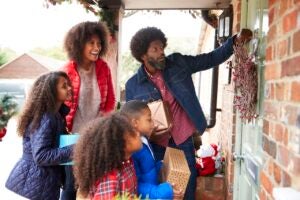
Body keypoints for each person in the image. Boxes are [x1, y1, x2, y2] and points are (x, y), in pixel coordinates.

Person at [125, 27, 253, 200]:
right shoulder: (133, 84)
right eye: (155, 49)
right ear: (143, 55)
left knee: (187, 186)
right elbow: (130, 119)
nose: (161, 52)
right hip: (156, 145)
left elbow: (209, 59)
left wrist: (233, 43)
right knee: (161, 189)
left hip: (182, 139)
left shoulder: (178, 63)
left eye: (162, 47)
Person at [61, 21, 116, 199]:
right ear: (78, 44)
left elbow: (110, 100)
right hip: (72, 137)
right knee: (71, 186)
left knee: (94, 185)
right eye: (91, 43)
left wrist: (104, 123)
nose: (96, 47)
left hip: (97, 136)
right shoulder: (67, 70)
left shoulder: (103, 68)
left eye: (99, 43)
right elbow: (59, 105)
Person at [5, 71, 74, 200]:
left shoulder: (56, 115)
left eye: (68, 84)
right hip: (34, 187)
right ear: (51, 92)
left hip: (41, 184)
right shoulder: (46, 117)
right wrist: (74, 149)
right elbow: (41, 156)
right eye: (64, 86)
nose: (70, 88)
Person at [120, 100, 183, 199]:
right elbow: (135, 185)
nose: (153, 124)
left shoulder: (144, 140)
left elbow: (148, 169)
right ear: (135, 123)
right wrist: (165, 191)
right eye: (149, 120)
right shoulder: (132, 150)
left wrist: (162, 166)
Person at [73, 113, 142, 200]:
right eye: (132, 132)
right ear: (119, 143)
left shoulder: (127, 162)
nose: (138, 133)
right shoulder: (110, 179)